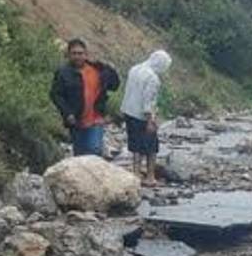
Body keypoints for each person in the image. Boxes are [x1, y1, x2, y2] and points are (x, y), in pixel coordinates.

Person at [50, 39, 120, 157]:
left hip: (96, 118)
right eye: (74, 53)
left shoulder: (97, 69)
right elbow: (56, 95)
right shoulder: (63, 73)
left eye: (80, 53)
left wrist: (110, 69)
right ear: (68, 55)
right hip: (76, 120)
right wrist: (67, 113)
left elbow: (114, 86)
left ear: (86, 54)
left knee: (94, 149)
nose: (77, 56)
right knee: (80, 154)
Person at [121, 50, 172, 186]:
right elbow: (148, 100)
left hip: (129, 111)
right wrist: (151, 121)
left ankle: (136, 175)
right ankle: (150, 177)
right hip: (142, 116)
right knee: (152, 147)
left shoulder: (134, 69)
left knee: (135, 146)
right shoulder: (153, 78)